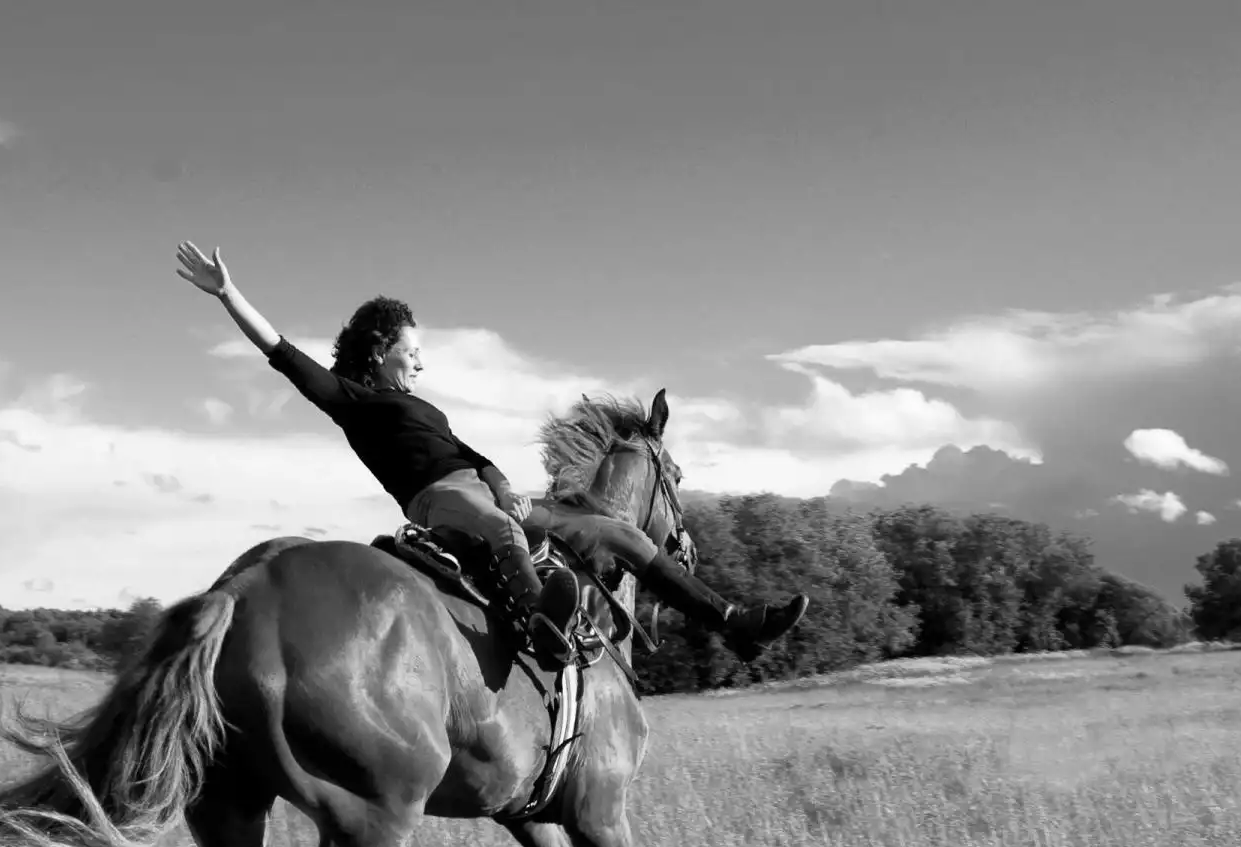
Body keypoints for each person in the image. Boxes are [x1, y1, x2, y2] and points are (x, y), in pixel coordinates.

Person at [175, 241, 808, 667]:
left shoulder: (422, 406)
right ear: (379, 350)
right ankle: (543, 627)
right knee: (503, 529)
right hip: (438, 499)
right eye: (411, 349)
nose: (421, 358)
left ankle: (734, 623)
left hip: (480, 486)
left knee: (613, 531)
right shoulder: (353, 400)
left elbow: (468, 450)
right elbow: (285, 357)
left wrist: (500, 477)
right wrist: (229, 295)